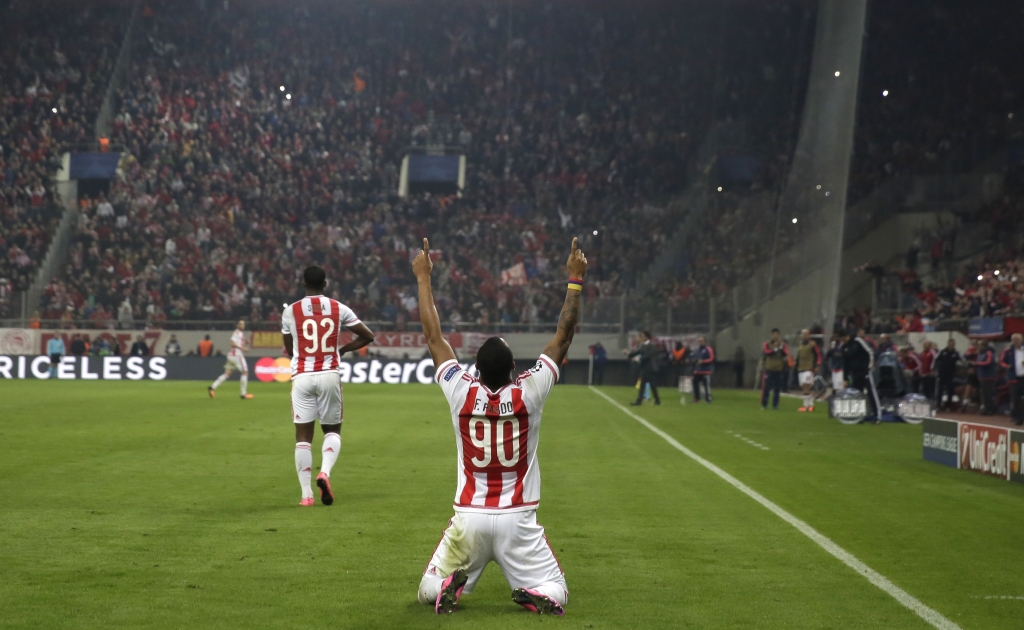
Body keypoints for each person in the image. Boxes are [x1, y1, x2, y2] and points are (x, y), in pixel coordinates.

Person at [413, 237, 580, 616]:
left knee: (425, 589)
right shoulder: (529, 391)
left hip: (469, 516)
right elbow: (563, 337)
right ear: (512, 370)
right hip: (517, 518)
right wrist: (575, 280)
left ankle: (445, 587)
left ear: (476, 369)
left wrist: (423, 279)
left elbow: (433, 337)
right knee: (558, 588)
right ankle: (539, 594)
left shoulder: (460, 391)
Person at [281, 265, 375, 506]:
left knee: (303, 437)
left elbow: (290, 349)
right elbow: (367, 335)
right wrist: (342, 349)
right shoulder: (338, 307)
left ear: (303, 283)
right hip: (329, 374)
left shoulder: (290, 311)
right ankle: (325, 473)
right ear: (325, 284)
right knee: (332, 431)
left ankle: (306, 496)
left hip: (302, 376)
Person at [208, 321, 253, 399]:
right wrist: (243, 348)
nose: (243, 326)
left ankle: (212, 387)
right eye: (241, 324)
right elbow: (232, 344)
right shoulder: (237, 333)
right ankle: (243, 394)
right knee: (245, 372)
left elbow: (237, 343)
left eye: (243, 324)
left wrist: (245, 342)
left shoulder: (240, 334)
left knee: (227, 374)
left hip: (231, 356)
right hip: (237, 355)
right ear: (237, 325)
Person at [625, 331, 661, 406]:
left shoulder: (651, 346)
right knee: (646, 385)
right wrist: (628, 353)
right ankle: (643, 401)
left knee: (650, 385)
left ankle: (643, 401)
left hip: (650, 368)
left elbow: (648, 356)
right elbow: (637, 352)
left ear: (647, 337)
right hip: (645, 368)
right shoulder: (643, 346)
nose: (642, 337)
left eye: (643, 336)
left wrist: (638, 359)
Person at [760, 328, 789, 410]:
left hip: (779, 369)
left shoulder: (783, 344)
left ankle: (775, 405)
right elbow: (766, 352)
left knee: (777, 388)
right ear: (772, 335)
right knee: (767, 388)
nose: (776, 336)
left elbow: (786, 353)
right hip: (769, 369)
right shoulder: (767, 344)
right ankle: (764, 404)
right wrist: (775, 349)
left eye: (777, 334)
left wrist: (780, 348)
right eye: (774, 334)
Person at [842, 329, 874, 401]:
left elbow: (869, 352)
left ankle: (875, 409)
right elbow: (845, 363)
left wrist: (869, 367)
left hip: (866, 371)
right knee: (858, 393)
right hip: (855, 374)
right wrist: (845, 378)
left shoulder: (858, 341)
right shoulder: (844, 347)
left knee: (871, 392)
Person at [999, 333, 1024, 425]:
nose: (1016, 342)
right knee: (1015, 398)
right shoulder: (1008, 350)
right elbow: (1001, 361)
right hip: (1014, 378)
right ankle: (1017, 416)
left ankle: (1021, 416)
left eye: (1018, 340)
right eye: (1014, 340)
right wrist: (1007, 366)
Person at [795, 329, 822, 412]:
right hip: (801, 368)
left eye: (806, 334)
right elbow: (798, 356)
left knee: (806, 385)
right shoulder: (800, 345)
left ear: (809, 335)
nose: (804, 336)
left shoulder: (812, 344)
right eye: (803, 334)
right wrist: (795, 363)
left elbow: (819, 355)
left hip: (809, 368)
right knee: (804, 387)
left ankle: (805, 406)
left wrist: (817, 365)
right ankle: (811, 404)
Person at [934, 339, 962, 410]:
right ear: (948, 344)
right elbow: (935, 360)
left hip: (951, 374)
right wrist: (934, 369)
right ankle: (939, 404)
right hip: (942, 373)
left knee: (950, 390)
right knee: (940, 389)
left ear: (954, 344)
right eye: (950, 343)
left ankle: (949, 405)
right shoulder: (942, 351)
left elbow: (962, 361)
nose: (951, 345)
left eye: (952, 344)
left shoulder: (956, 353)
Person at [973, 339, 997, 415]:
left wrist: (977, 363)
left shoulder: (988, 352)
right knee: (984, 394)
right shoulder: (980, 354)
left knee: (988, 393)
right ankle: (986, 408)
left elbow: (989, 362)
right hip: (982, 376)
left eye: (979, 345)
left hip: (989, 376)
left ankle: (991, 409)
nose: (978, 347)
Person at [692, 336, 714, 403]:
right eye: (699, 341)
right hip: (698, 371)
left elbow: (711, 358)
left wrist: (703, 361)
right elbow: (696, 358)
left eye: (701, 341)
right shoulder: (698, 350)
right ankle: (697, 398)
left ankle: (708, 399)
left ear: (704, 341)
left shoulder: (708, 349)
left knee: (706, 385)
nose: (700, 342)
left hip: (705, 371)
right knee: (694, 383)